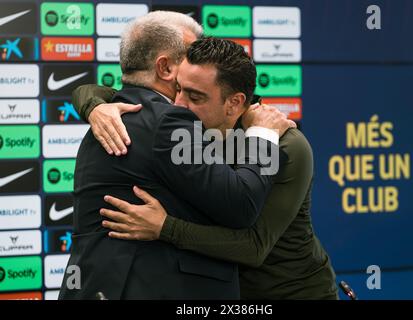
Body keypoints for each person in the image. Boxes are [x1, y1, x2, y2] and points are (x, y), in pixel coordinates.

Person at [72, 35, 338, 301]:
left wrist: (164, 227)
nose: (177, 104)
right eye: (178, 89)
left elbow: (254, 248)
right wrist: (95, 108)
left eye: (195, 97)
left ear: (234, 102)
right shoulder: (188, 129)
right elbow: (114, 92)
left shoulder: (285, 145)